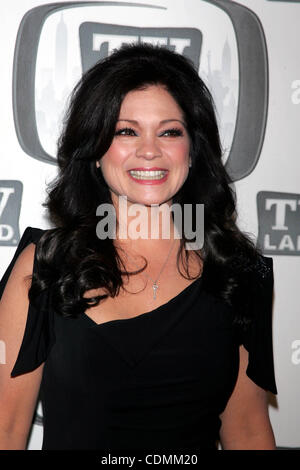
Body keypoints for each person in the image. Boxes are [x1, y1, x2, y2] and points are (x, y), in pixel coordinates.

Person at [0, 42, 277, 451]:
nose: (150, 150)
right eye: (126, 131)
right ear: (95, 150)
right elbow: (5, 430)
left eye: (169, 132)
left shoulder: (238, 273)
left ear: (193, 150)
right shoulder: (45, 265)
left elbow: (250, 431)